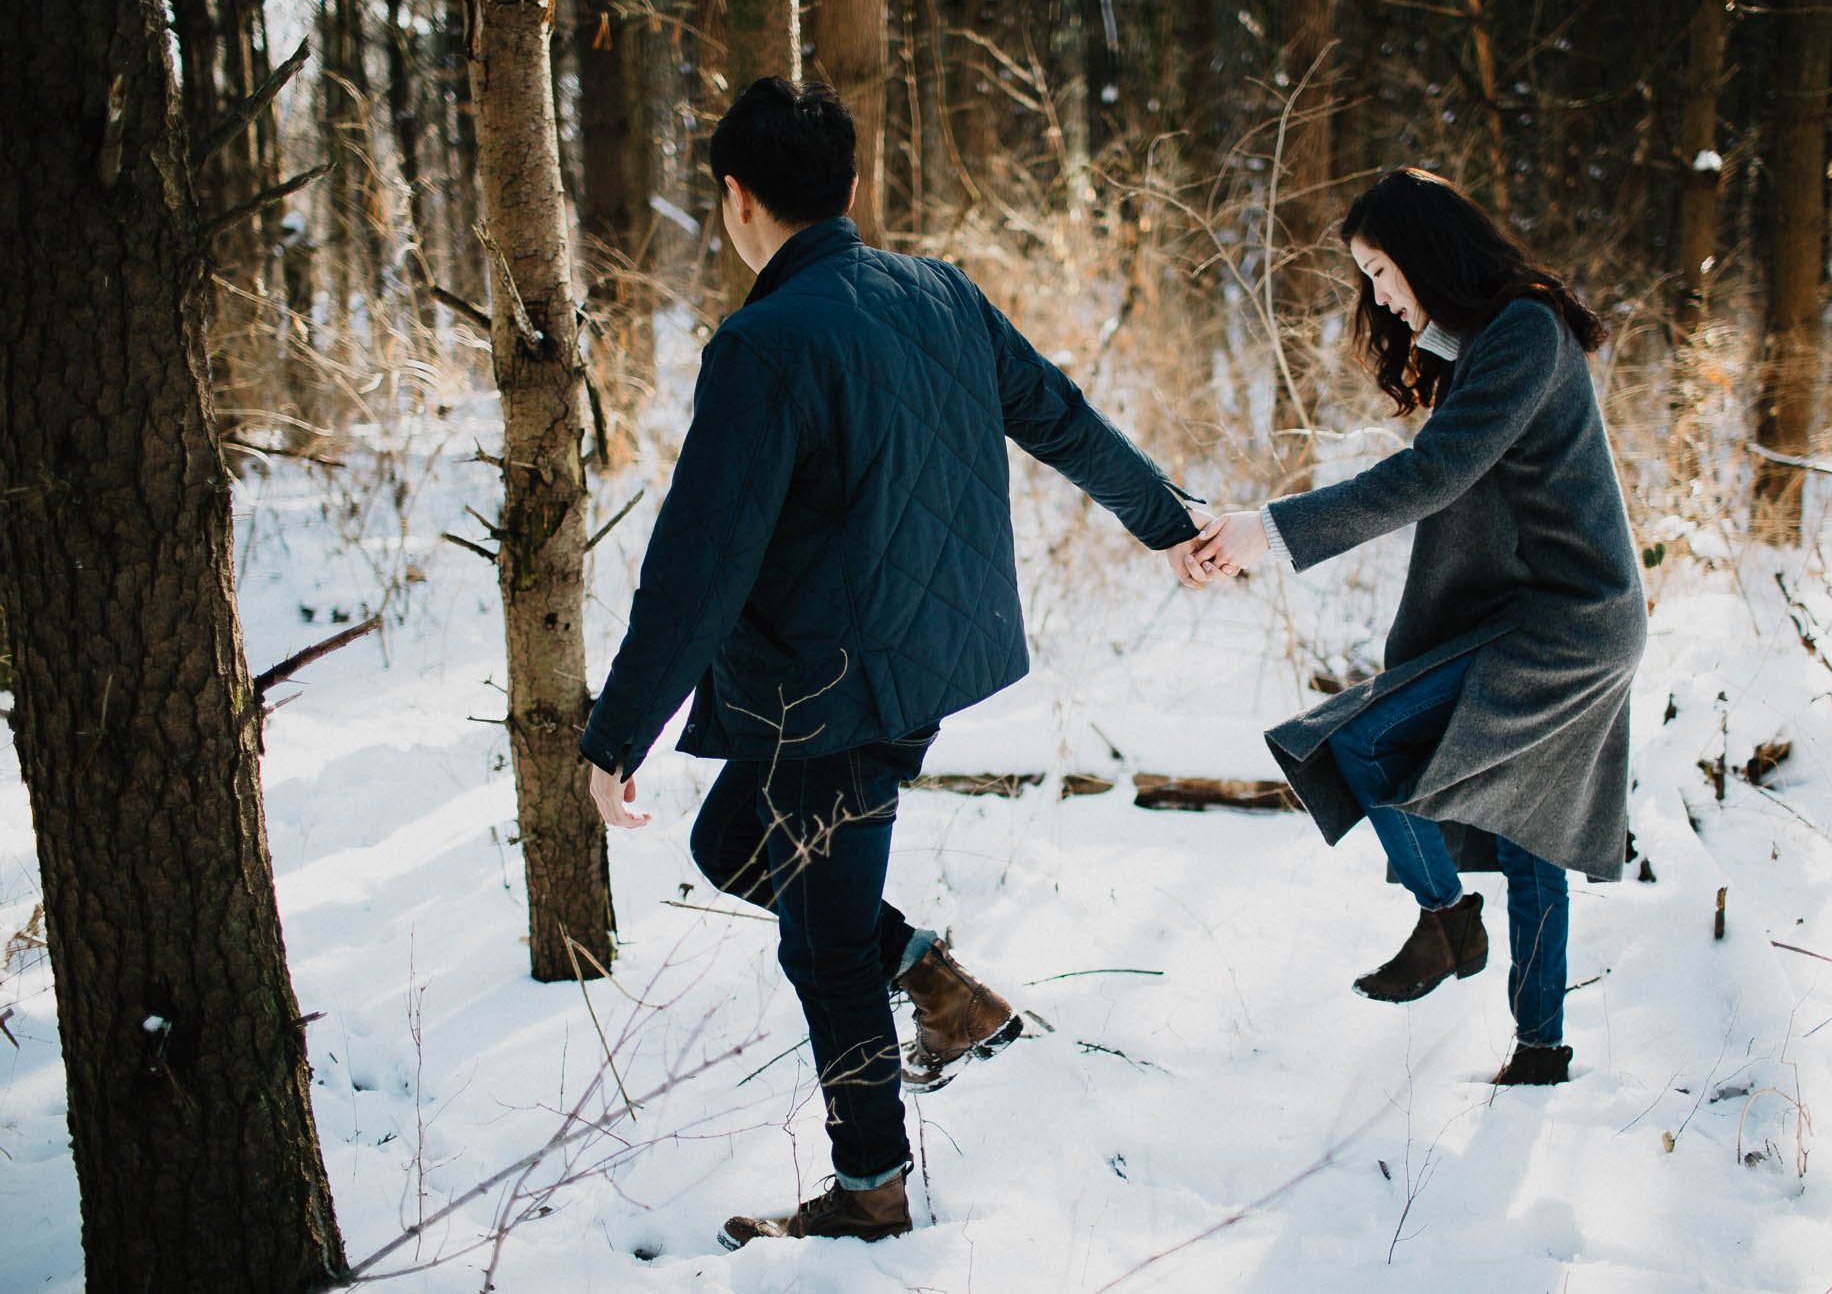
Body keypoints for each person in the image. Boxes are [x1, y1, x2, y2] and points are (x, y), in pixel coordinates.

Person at [579, 77, 1205, 1248]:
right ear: (851, 190)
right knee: (729, 844)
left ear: (734, 198)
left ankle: (870, 1191)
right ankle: (932, 980)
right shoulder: (941, 293)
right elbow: (1060, 417)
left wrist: (617, 734)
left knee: (820, 941)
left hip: (828, 687)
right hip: (913, 660)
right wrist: (1163, 519)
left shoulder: (763, 342)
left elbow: (699, 563)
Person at [1186, 167, 1647, 1085]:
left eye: (1381, 270)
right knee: (1526, 832)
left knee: (1365, 743)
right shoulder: (1494, 338)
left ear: (1429, 250)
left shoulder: (1524, 329)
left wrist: (1264, 531)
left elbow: (1432, 477)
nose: (1380, 297)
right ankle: (1539, 1049)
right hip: (1543, 614)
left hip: (1568, 624)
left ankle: (1447, 921)